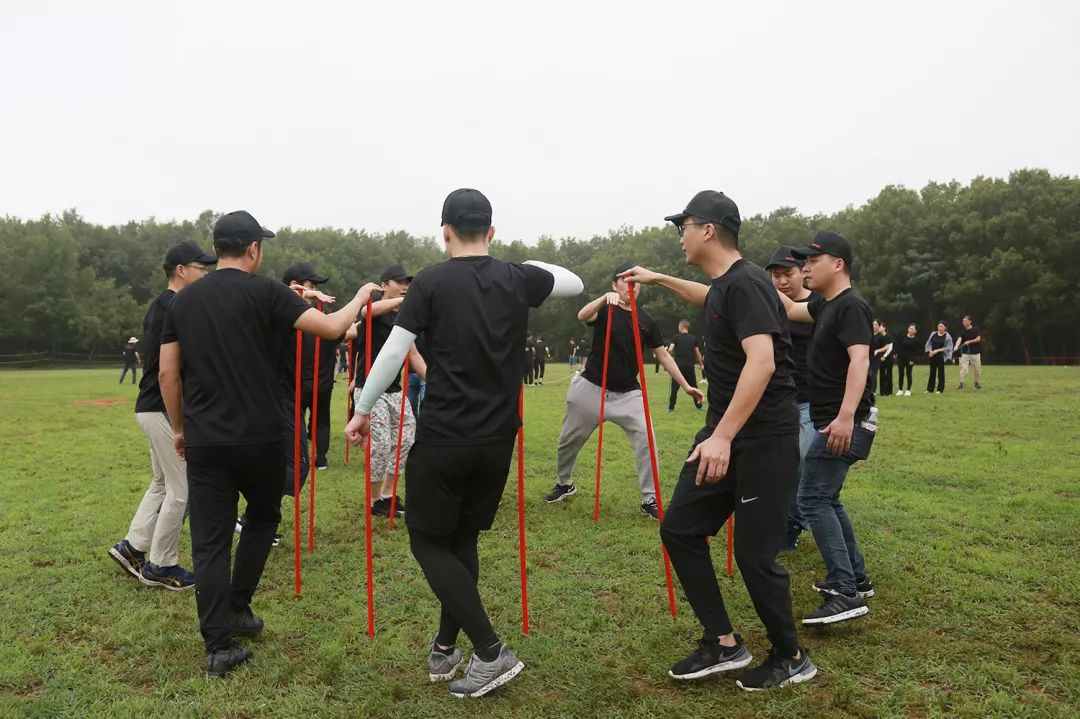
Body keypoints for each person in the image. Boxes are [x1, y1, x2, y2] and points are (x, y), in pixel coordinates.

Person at [345, 188, 583, 698]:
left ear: (445, 231)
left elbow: (393, 352)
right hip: (498, 439)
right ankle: (446, 645)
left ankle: (491, 652)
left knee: (427, 540)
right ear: (492, 232)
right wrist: (513, 264)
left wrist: (362, 411)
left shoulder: (429, 283)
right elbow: (573, 281)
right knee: (462, 540)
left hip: (447, 435)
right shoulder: (518, 277)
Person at [160, 209, 380, 678]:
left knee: (211, 541)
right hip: (262, 435)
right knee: (263, 517)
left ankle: (218, 645)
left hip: (205, 439)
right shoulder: (269, 293)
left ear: (217, 249)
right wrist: (361, 295)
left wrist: (179, 429)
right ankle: (238, 608)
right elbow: (332, 328)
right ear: (254, 249)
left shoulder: (183, 302)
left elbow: (167, 373)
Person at [621, 190, 816, 691]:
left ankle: (792, 656)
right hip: (725, 435)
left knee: (754, 556)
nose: (679, 235)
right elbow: (708, 297)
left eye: (682, 226)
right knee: (681, 528)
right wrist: (658, 278)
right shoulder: (730, 284)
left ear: (708, 229)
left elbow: (764, 362)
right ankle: (724, 643)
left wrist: (723, 437)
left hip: (761, 439)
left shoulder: (748, 282)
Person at [543, 262, 703, 519]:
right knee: (568, 441)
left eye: (635, 280)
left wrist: (686, 386)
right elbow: (583, 316)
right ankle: (565, 483)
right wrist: (603, 300)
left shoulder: (646, 320)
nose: (631, 285)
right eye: (624, 280)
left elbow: (661, 353)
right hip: (591, 387)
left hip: (628, 394)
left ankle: (650, 499)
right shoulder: (606, 309)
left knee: (647, 441)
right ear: (614, 285)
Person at [780, 230, 876, 625]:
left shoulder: (851, 306)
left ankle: (844, 591)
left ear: (838, 264)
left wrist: (845, 417)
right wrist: (740, 278)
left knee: (812, 498)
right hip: (835, 419)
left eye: (812, 261)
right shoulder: (825, 305)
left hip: (844, 420)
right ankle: (856, 577)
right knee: (827, 497)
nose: (804, 267)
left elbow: (860, 361)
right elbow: (787, 310)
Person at [108, 241, 217, 590]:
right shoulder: (177, 307)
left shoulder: (161, 304)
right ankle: (161, 565)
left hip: (150, 406)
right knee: (182, 489)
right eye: (202, 268)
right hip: (161, 408)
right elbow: (174, 369)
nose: (207, 274)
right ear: (182, 271)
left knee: (162, 483)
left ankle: (132, 546)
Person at [347, 263, 427, 518]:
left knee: (405, 440)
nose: (405, 286)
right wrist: (401, 303)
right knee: (380, 443)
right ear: (384, 285)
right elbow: (364, 311)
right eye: (399, 281)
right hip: (369, 389)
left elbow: (412, 353)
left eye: (408, 282)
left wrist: (434, 379)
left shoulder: (404, 317)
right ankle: (373, 501)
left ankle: (389, 495)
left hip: (395, 391)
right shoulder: (375, 309)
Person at [765, 246, 817, 553]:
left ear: (802, 272)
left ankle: (793, 521)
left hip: (811, 401)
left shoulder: (819, 304)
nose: (782, 281)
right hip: (777, 400)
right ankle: (783, 521)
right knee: (775, 466)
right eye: (776, 275)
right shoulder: (767, 307)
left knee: (798, 462)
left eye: (788, 273)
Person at [283, 262, 340, 471]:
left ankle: (316, 459)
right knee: (309, 421)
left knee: (314, 421)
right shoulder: (289, 319)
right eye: (312, 285)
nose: (316, 291)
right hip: (297, 383)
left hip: (316, 384)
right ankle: (313, 460)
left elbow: (345, 332)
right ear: (295, 285)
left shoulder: (319, 320)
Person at [667, 320, 704, 412]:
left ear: (681, 327)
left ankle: (671, 408)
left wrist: (671, 357)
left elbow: (670, 349)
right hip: (689, 366)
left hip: (678, 366)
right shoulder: (693, 338)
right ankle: (699, 406)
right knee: (694, 386)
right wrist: (701, 364)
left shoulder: (675, 337)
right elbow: (698, 353)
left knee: (674, 388)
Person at [954, 315, 983, 390]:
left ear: (970, 321)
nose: (963, 322)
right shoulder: (962, 330)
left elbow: (978, 338)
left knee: (977, 370)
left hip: (975, 353)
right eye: (963, 321)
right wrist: (956, 346)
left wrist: (969, 341)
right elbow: (959, 339)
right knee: (964, 369)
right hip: (965, 353)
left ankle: (976, 384)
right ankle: (961, 384)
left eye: (965, 321)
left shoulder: (976, 329)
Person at [925, 321, 953, 393]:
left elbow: (949, 347)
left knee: (940, 373)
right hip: (932, 355)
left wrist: (938, 350)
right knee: (932, 372)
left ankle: (940, 389)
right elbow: (929, 343)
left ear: (945, 328)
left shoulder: (948, 336)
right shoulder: (933, 334)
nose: (940, 328)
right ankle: (930, 389)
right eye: (939, 326)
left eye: (942, 327)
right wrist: (930, 351)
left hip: (941, 356)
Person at [894, 323, 920, 396]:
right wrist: (895, 354)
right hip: (901, 358)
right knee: (901, 374)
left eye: (913, 329)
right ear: (908, 329)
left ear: (915, 331)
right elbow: (898, 346)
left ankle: (908, 390)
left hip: (910, 360)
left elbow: (916, 352)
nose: (911, 330)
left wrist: (912, 360)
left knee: (909, 374)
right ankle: (900, 390)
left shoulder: (916, 340)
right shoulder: (902, 337)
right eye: (910, 329)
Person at [871, 320, 893, 397]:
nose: (873, 326)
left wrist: (878, 350)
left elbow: (887, 347)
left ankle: (873, 391)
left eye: (875, 325)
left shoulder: (881, 337)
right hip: (868, 357)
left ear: (878, 326)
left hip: (876, 358)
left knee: (873, 374)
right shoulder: (869, 335)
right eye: (872, 324)